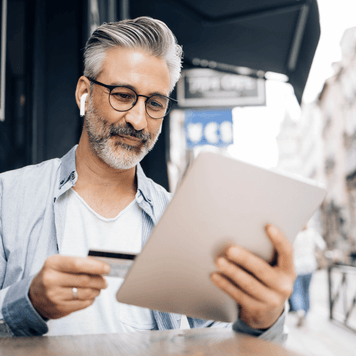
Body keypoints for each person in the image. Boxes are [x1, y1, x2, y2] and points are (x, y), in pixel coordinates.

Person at [0, 17, 295, 342]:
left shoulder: (184, 221)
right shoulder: (8, 198)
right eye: (123, 96)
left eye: (154, 103)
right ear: (84, 93)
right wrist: (27, 303)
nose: (139, 121)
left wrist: (262, 321)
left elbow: (221, 340)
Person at [289, 225, 326, 327]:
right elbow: (322, 245)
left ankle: (299, 311)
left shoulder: (295, 234)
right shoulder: (312, 233)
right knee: (306, 290)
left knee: (296, 291)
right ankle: (305, 313)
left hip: (296, 266)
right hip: (309, 265)